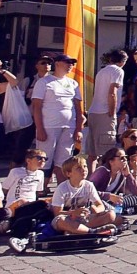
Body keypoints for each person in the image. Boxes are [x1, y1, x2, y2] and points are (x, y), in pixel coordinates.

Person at [31, 54, 84, 190]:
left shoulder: (73, 83)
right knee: (44, 159)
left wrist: (78, 129)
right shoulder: (44, 82)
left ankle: (62, 190)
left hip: (69, 127)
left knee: (64, 160)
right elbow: (36, 107)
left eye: (72, 63)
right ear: (58, 63)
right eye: (67, 62)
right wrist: (40, 129)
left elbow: (78, 108)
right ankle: (39, 189)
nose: (70, 65)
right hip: (48, 126)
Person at [49, 156, 117, 235]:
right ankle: (91, 231)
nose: (83, 170)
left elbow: (100, 205)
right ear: (68, 173)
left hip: (84, 218)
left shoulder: (88, 185)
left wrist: (96, 210)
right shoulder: (62, 188)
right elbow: (57, 213)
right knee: (60, 221)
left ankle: (77, 230)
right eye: (78, 168)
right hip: (68, 218)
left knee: (111, 214)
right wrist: (74, 212)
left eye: (85, 166)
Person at [87, 49, 127, 172]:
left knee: (92, 151)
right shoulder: (117, 70)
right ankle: (103, 177)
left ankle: (91, 177)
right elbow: (112, 92)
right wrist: (112, 111)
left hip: (93, 111)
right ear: (123, 61)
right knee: (107, 151)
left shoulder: (102, 71)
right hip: (105, 112)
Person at [13, 56, 52, 167]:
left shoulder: (54, 81)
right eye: (43, 62)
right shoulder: (29, 80)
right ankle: (14, 168)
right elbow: (18, 97)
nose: (47, 65)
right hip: (30, 117)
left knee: (46, 144)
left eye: (49, 63)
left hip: (48, 118)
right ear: (37, 66)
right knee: (22, 144)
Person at [89, 148, 137, 216]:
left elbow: (136, 192)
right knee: (103, 204)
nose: (125, 160)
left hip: (111, 202)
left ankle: (118, 211)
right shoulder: (102, 171)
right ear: (111, 161)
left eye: (125, 157)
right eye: (122, 158)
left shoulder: (121, 174)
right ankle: (121, 211)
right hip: (98, 201)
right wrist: (109, 196)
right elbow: (89, 193)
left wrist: (128, 175)